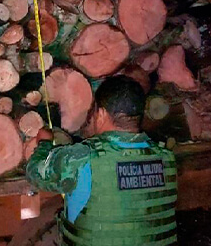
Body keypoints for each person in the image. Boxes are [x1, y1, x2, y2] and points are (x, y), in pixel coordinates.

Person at [26, 76, 178, 246]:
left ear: (102, 113)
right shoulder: (166, 157)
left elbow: (34, 172)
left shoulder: (84, 157)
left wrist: (44, 143)